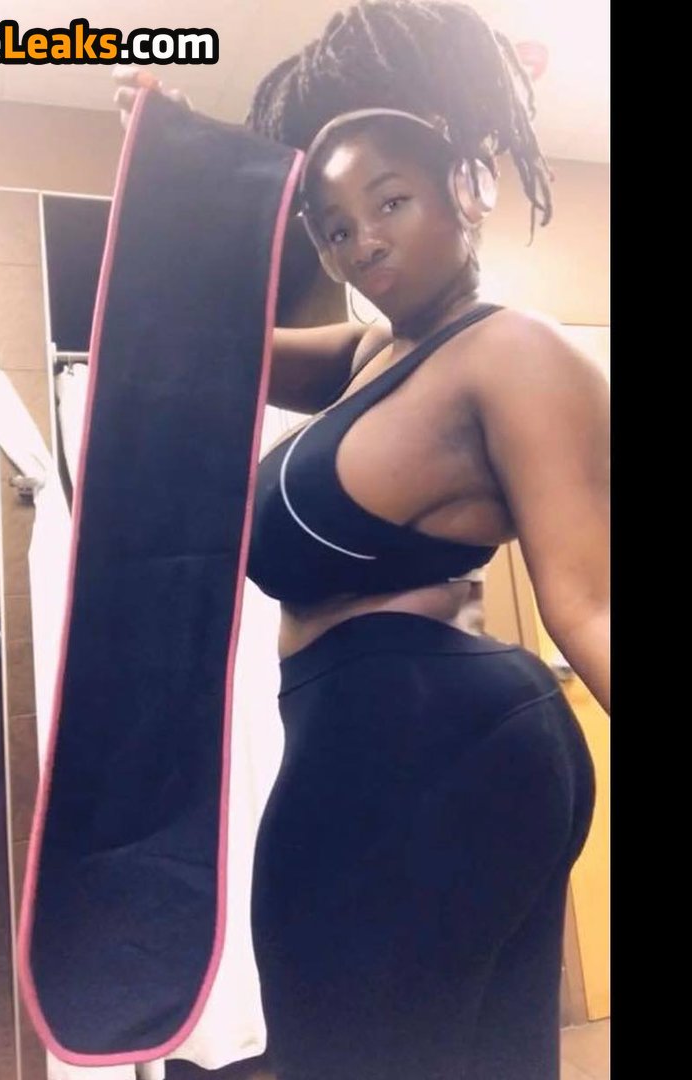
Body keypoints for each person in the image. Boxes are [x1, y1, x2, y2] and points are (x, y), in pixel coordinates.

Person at [113, 3, 608, 1077]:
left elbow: (590, 604)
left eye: (390, 201)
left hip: (432, 749)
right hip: (370, 745)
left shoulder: (512, 353)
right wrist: (177, 167)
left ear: (466, 190)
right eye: (334, 227)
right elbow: (214, 341)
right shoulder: (371, 356)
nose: (364, 240)